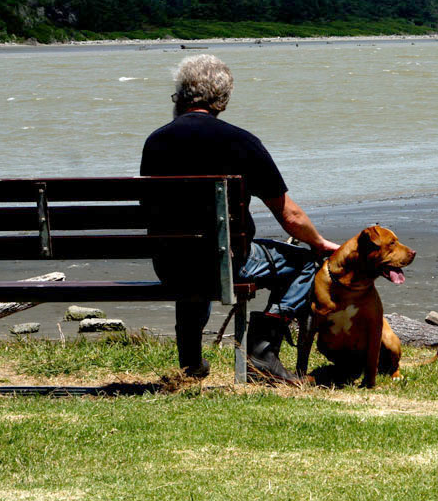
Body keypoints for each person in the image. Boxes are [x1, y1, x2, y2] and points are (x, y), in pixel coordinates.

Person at [140, 54, 340, 383]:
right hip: (228, 263)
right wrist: (318, 243)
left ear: (182, 95)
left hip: (170, 264)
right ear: (223, 97)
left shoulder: (156, 141)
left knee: (188, 253)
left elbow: (151, 207)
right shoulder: (241, 141)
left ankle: (190, 364)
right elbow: (289, 216)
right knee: (310, 262)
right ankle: (263, 346)